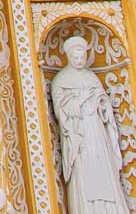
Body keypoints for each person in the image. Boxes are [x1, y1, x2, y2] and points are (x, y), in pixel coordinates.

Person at [50, 35, 130, 214]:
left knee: (104, 171)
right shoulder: (61, 80)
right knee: (85, 175)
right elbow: (61, 110)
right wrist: (80, 101)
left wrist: (101, 105)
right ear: (69, 56)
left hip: (98, 136)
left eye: (82, 57)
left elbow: (105, 105)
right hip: (80, 138)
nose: (79, 61)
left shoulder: (92, 77)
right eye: (76, 57)